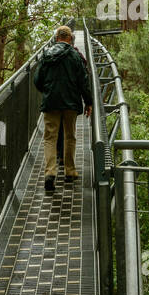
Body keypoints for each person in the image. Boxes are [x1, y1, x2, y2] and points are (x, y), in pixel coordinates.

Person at [32, 25, 93, 192]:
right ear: (70, 38)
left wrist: (48, 91)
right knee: (69, 136)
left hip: (51, 102)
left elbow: (37, 80)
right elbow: (83, 82)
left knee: (50, 137)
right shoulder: (75, 56)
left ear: (56, 37)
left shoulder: (46, 54)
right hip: (71, 103)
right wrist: (88, 102)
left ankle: (50, 173)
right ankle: (69, 171)